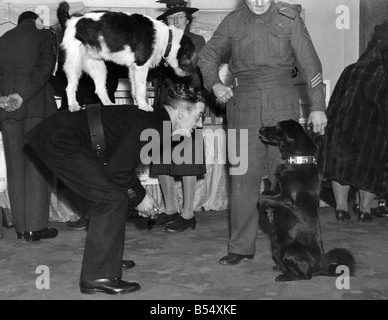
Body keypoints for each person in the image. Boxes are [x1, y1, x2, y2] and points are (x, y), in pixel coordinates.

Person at [25, 85, 205, 295]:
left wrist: (136, 196)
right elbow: (118, 172)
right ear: (182, 112)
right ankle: (97, 277)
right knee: (112, 200)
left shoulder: (157, 123)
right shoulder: (155, 127)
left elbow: (116, 169)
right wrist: (141, 198)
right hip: (61, 139)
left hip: (64, 136)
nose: (198, 123)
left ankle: (108, 260)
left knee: (116, 196)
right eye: (198, 115)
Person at [198, 0, 327, 265]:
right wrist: (214, 84)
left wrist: (318, 107)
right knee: (242, 180)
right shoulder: (232, 22)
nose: (258, 2)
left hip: (281, 105)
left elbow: (311, 66)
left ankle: (295, 244)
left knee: (287, 181)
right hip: (242, 106)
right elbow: (206, 56)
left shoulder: (289, 18)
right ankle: (241, 247)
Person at [148, 0, 206, 233]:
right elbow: (151, 74)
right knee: (161, 160)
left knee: (187, 161)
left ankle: (188, 214)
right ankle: (170, 209)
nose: (176, 22)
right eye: (171, 19)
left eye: (180, 17)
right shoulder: (160, 44)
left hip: (188, 106)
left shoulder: (198, 42)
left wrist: (198, 109)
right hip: (163, 105)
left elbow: (201, 76)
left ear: (188, 19)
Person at [0, 11, 58, 242]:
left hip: (6, 108)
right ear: (37, 20)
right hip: (35, 105)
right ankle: (36, 227)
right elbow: (46, 68)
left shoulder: (3, 38)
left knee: (15, 167)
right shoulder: (45, 34)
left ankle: (22, 227)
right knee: (37, 165)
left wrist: (2, 98)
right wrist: (22, 95)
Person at [324, 22, 388, 223]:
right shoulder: (384, 73)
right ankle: (365, 210)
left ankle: (341, 209)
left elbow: (334, 103)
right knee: (369, 167)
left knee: (341, 169)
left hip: (344, 127)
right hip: (373, 129)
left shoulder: (351, 69)